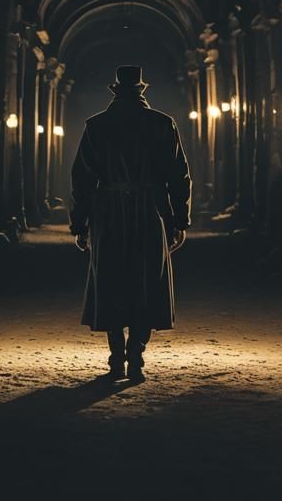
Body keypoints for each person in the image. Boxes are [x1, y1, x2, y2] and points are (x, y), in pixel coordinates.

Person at [69, 65, 192, 380]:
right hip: (149, 211)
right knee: (146, 281)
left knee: (111, 280)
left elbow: (81, 179)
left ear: (115, 91)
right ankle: (136, 356)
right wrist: (180, 218)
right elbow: (179, 176)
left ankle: (115, 358)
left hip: (108, 212)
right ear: (142, 90)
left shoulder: (97, 126)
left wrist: (79, 224)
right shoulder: (162, 124)